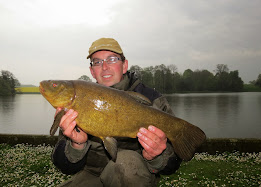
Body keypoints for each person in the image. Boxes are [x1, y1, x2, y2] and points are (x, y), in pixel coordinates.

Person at [52, 38, 182, 187]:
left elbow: (173, 164)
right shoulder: (78, 100)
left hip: (133, 176)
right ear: (92, 71)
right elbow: (64, 166)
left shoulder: (152, 100)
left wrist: (157, 156)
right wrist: (77, 144)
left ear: (124, 65)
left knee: (126, 165)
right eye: (97, 62)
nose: (105, 67)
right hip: (92, 175)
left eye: (112, 59)